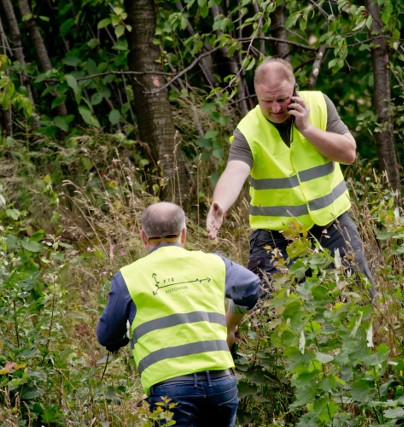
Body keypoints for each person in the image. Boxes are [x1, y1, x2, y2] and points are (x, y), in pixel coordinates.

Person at [206, 57, 374, 295]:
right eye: (267, 101)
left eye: (282, 99)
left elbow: (348, 154)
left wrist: (307, 128)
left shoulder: (318, 104)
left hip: (333, 223)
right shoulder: (248, 129)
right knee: (264, 311)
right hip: (276, 236)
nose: (276, 108)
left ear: (295, 90)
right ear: (256, 96)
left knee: (359, 296)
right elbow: (235, 170)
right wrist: (220, 204)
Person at [97, 201, 260, 426]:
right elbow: (251, 286)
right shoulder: (213, 263)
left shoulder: (128, 277)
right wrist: (230, 323)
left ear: (143, 237)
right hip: (222, 383)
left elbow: (107, 336)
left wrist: (126, 333)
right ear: (184, 233)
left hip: (170, 389)